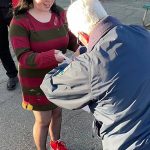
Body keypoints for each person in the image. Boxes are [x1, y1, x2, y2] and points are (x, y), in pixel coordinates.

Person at [40, 0, 150, 149]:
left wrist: (73, 61)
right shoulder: (141, 32)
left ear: (82, 36)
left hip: (127, 143)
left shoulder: (90, 64)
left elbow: (50, 86)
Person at [9, 0, 79, 149]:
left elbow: (70, 37)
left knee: (57, 113)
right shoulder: (20, 21)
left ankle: (56, 143)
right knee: (43, 120)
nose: (49, 1)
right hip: (35, 80)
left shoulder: (59, 12)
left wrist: (80, 47)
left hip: (59, 74)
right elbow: (24, 57)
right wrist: (51, 57)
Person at [0, 0, 18, 90]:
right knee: (1, 47)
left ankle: (35, 69)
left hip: (12, 5)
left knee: (26, 38)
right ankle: (12, 74)